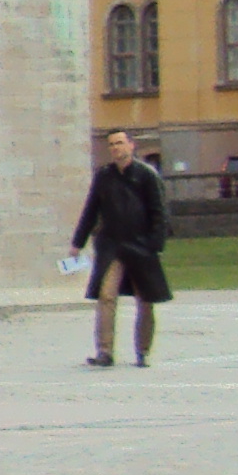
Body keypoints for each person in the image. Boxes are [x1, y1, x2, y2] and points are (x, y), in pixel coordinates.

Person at [71, 127, 174, 368]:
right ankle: (105, 351)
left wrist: (154, 244)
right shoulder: (104, 176)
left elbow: (159, 213)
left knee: (145, 300)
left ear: (131, 145)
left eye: (120, 143)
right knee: (106, 296)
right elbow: (91, 210)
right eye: (112, 144)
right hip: (112, 246)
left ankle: (143, 351)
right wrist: (78, 243)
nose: (116, 148)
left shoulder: (146, 175)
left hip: (140, 246)